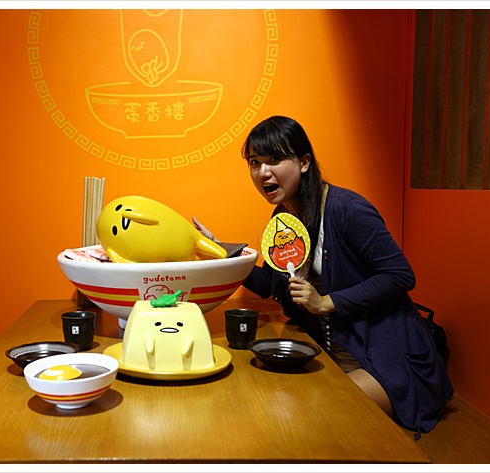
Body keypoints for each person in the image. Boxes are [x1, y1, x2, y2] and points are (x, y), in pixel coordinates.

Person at [194, 115, 453, 434]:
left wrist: (326, 302)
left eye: (274, 160)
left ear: (304, 162)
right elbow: (268, 286)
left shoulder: (347, 209)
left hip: (385, 359)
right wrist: (221, 251)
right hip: (332, 351)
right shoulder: (283, 217)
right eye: (255, 162)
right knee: (276, 407)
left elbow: (400, 275)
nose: (263, 172)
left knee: (315, 417)